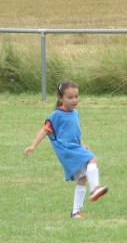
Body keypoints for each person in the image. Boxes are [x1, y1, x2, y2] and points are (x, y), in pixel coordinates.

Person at [24, 80, 109, 218]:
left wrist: (81, 143)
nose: (74, 100)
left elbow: (73, 132)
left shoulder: (75, 113)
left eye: (76, 96)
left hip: (75, 147)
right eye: (70, 97)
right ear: (60, 98)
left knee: (82, 179)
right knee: (92, 159)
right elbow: (45, 130)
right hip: (67, 149)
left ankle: (75, 212)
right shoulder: (56, 115)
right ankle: (95, 189)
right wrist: (33, 146)